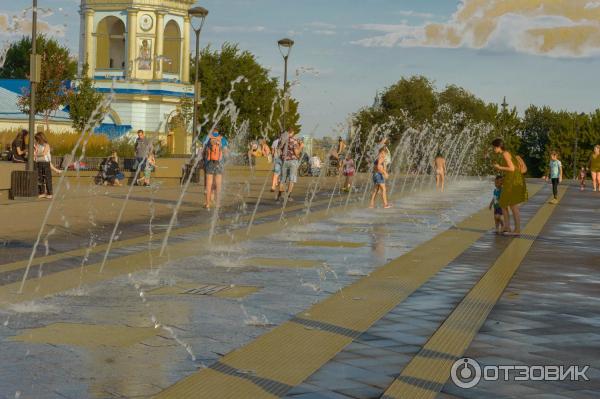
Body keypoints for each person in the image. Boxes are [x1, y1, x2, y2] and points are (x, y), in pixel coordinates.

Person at [492, 138, 528, 236]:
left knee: (513, 206)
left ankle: (517, 230)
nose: (493, 149)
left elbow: (512, 168)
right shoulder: (507, 153)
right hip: (510, 180)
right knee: (503, 203)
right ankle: (507, 227)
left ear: (498, 146)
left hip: (513, 181)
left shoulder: (505, 154)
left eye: (494, 147)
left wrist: (499, 167)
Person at [203, 128, 229, 209]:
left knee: (208, 184)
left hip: (209, 163)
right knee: (218, 185)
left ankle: (207, 203)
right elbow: (225, 152)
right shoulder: (223, 139)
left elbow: (203, 150)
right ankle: (218, 204)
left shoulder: (207, 138)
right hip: (219, 163)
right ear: (218, 132)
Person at [277, 127, 303, 202]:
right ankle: (288, 196)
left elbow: (279, 149)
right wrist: (301, 147)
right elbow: (296, 152)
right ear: (292, 132)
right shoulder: (293, 140)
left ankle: (279, 195)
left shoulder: (282, 139)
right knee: (292, 179)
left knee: (283, 179)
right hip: (293, 161)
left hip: (284, 161)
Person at [33, 132, 53, 199]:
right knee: (40, 178)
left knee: (47, 178)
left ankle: (50, 193)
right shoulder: (36, 145)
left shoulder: (46, 145)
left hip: (45, 163)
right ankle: (42, 192)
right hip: (38, 162)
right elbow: (35, 151)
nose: (36, 140)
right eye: (36, 139)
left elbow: (44, 153)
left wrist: (35, 154)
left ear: (41, 138)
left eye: (37, 139)